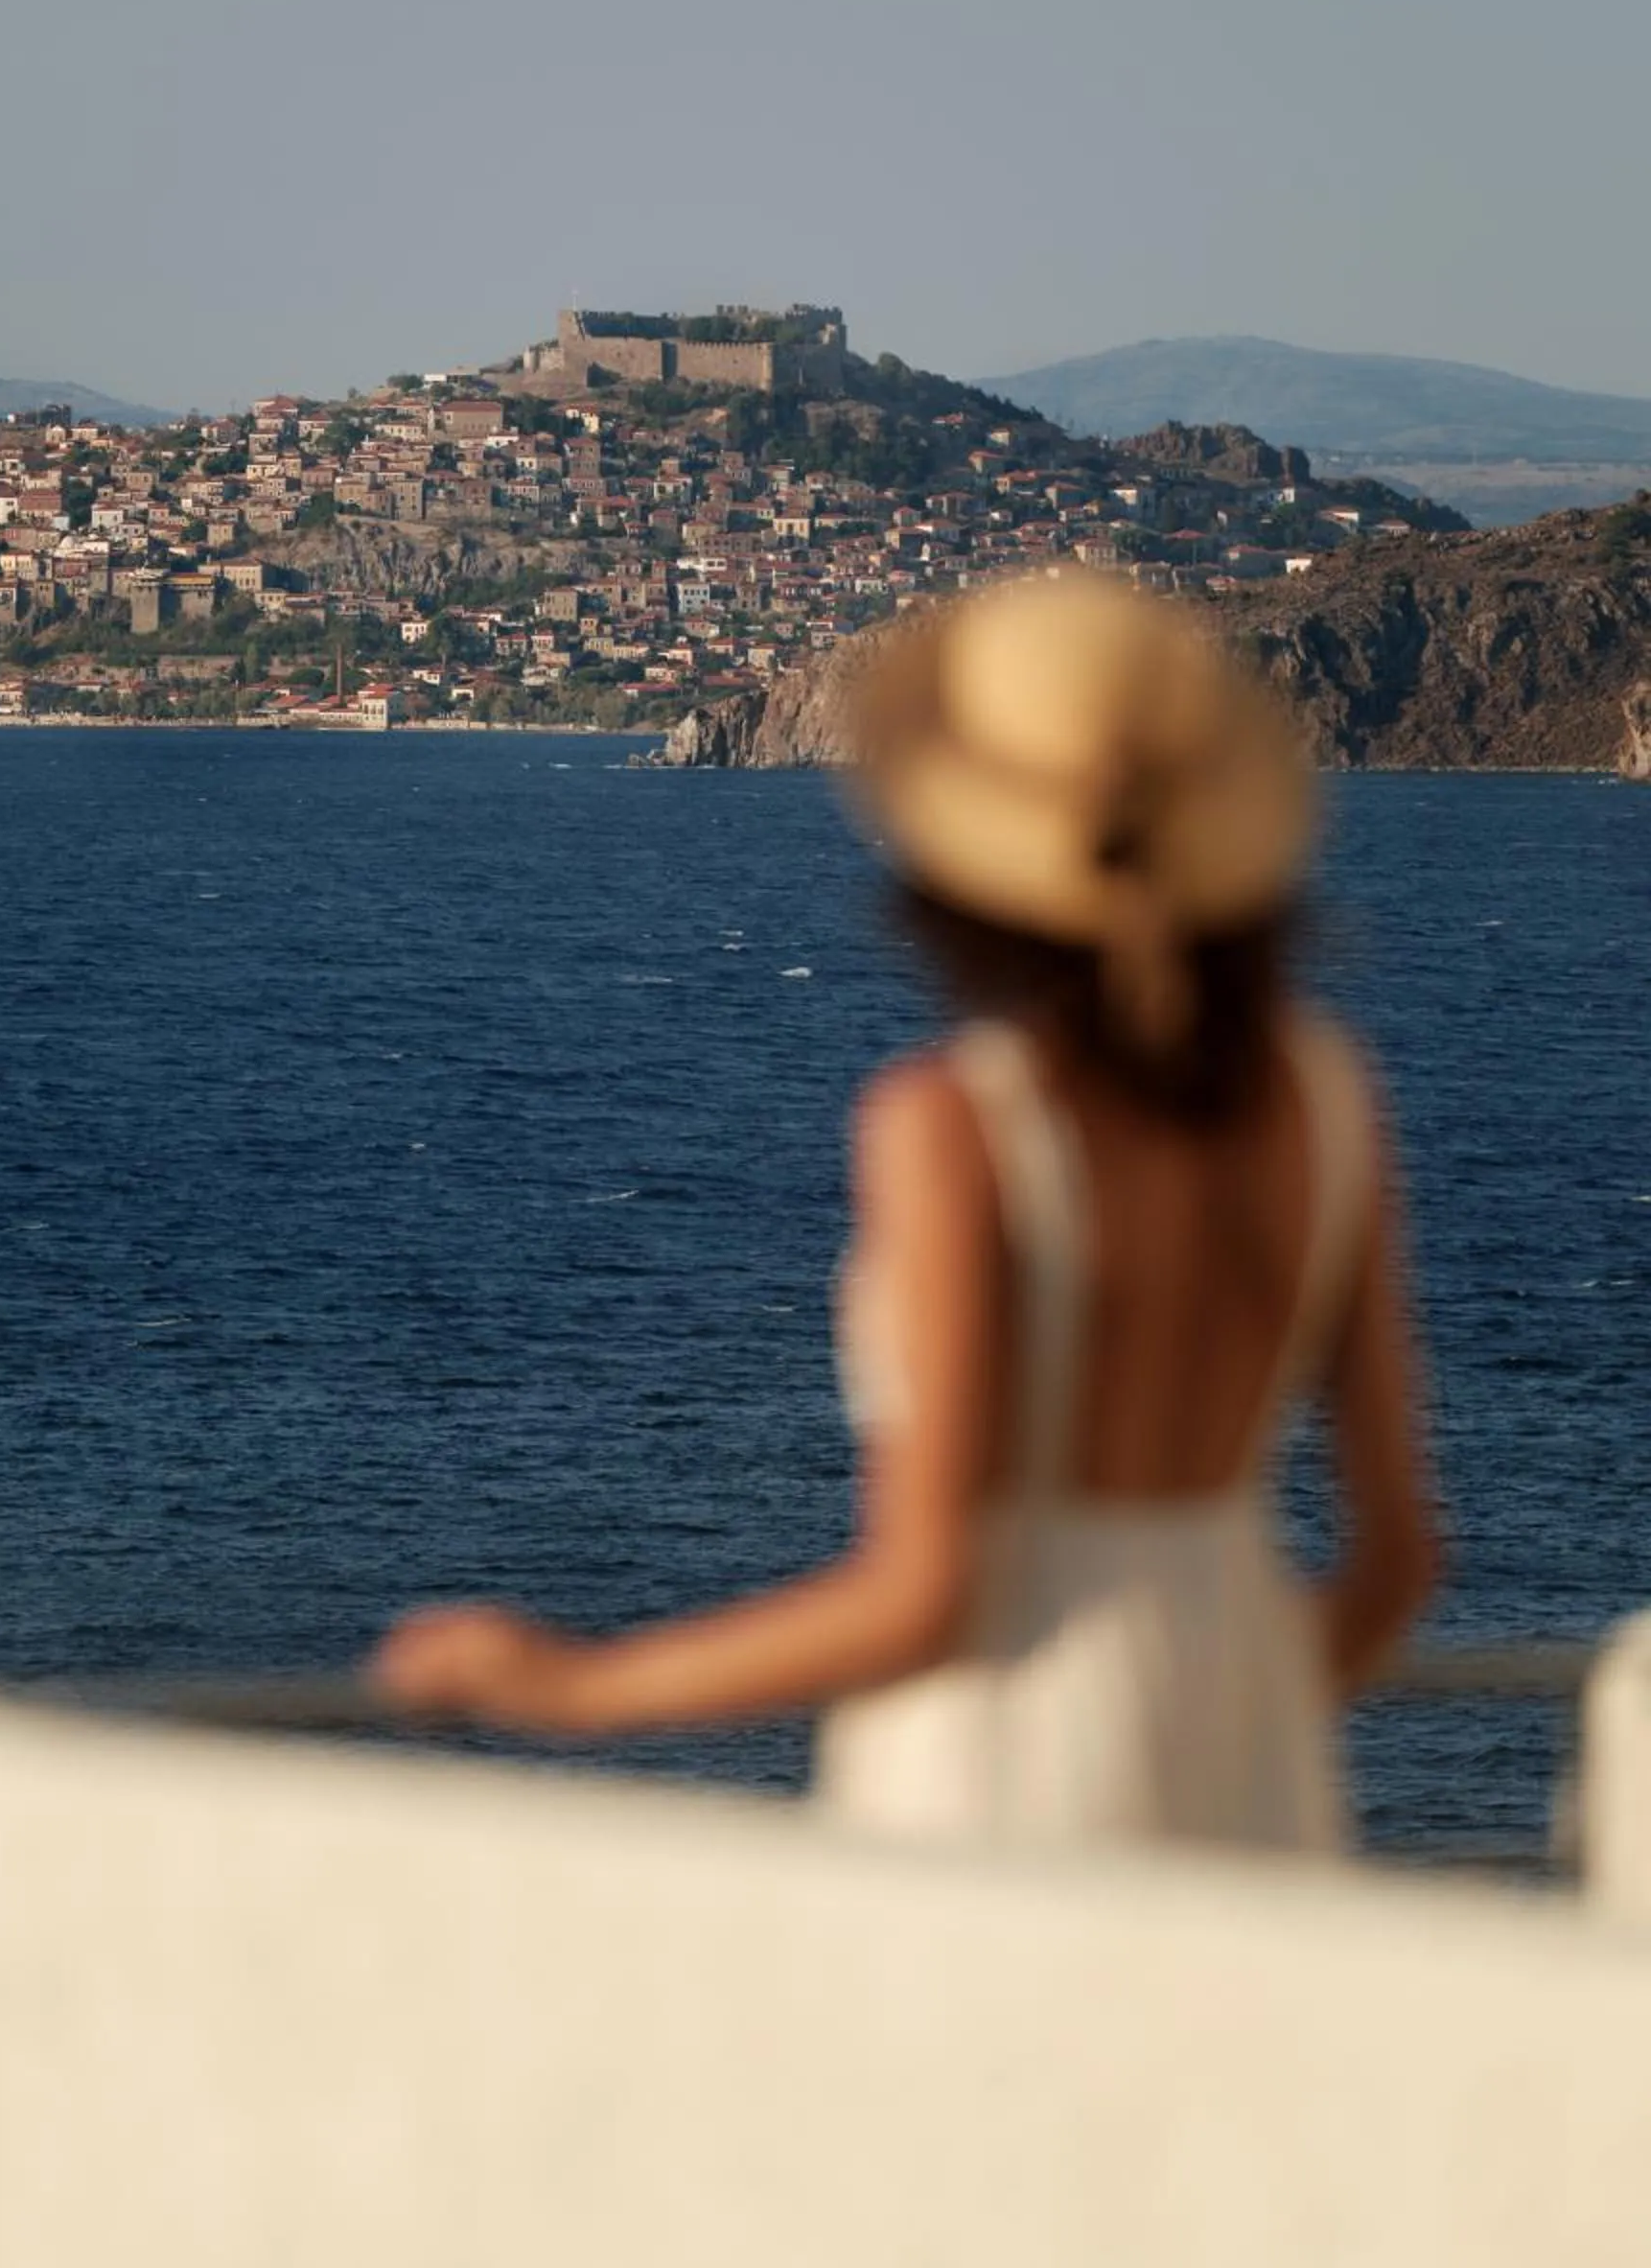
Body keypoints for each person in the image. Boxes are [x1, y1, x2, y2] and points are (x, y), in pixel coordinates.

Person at [371, 573, 1439, 1851]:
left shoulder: (955, 1126)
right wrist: (1235, 1715)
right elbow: (1396, 1562)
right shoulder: (1324, 1100)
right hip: (1252, 1771)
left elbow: (928, 1593)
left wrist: (574, 1687)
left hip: (1000, 1772)